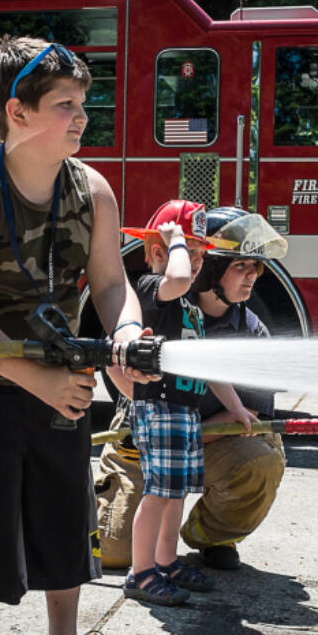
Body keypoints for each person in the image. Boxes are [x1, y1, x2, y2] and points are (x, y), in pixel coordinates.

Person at [0, 36, 152, 635]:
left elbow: (113, 283)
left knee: (66, 501)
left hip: (58, 368)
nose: (81, 117)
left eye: (83, 103)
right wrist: (39, 380)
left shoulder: (93, 191)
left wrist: (127, 331)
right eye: (65, 104)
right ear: (16, 113)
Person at [97, 206, 289, 573]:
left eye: (256, 267)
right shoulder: (159, 304)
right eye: (240, 266)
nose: (253, 277)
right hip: (150, 433)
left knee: (258, 459)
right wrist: (151, 428)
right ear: (210, 268)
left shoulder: (251, 331)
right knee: (112, 554)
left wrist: (189, 436)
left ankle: (210, 536)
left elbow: (253, 412)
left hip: (207, 437)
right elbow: (113, 358)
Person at [119, 200, 256, 606]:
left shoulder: (189, 307)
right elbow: (177, 278)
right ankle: (140, 573)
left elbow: (206, 363)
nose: (195, 263)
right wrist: (176, 238)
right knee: (158, 492)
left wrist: (234, 407)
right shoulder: (153, 289)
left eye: (199, 255)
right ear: (158, 252)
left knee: (176, 491)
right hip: (158, 408)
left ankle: (165, 560)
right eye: (189, 253)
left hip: (184, 412)